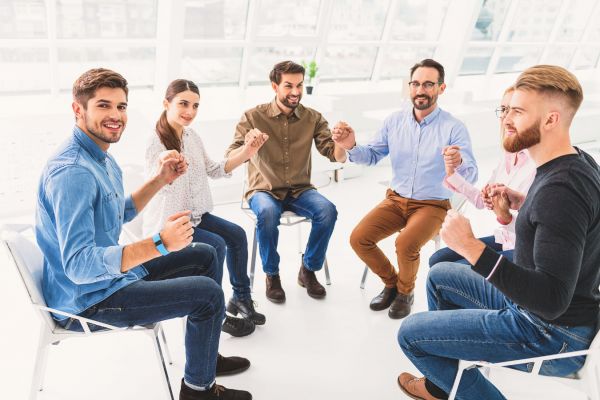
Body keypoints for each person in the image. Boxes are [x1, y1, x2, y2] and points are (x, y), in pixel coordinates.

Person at [35, 68, 252, 400]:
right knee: (208, 294)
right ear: (78, 110)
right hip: (89, 301)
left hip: (111, 278)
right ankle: (198, 391)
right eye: (103, 106)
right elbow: (79, 266)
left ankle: (204, 359)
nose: (115, 116)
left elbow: (118, 213)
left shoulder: (102, 160)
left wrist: (161, 179)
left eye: (121, 107)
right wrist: (160, 242)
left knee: (206, 253)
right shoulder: (73, 173)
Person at [397, 65, 600, 400]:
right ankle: (444, 384)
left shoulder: (559, 190)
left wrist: (472, 248)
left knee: (409, 335)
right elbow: (572, 222)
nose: (506, 120)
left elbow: (550, 301)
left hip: (550, 331)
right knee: (441, 276)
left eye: (518, 112)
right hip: (548, 314)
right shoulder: (576, 162)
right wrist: (523, 204)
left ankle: (464, 389)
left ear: (551, 120)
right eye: (506, 110)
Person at [333, 59, 477, 319]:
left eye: (428, 84)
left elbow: (472, 174)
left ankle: (405, 292)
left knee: (405, 243)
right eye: (416, 84)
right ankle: (392, 284)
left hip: (433, 204)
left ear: (441, 88)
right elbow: (373, 155)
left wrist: (459, 163)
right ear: (409, 87)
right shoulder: (394, 121)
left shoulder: (454, 127)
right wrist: (351, 145)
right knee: (359, 239)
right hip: (396, 200)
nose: (421, 90)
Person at [143, 79, 268, 336]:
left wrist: (247, 152)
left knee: (236, 235)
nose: (190, 111)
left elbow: (213, 169)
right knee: (216, 245)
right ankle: (216, 312)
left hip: (197, 216)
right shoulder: (156, 143)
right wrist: (167, 171)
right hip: (172, 224)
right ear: (167, 103)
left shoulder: (191, 136)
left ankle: (241, 298)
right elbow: (155, 187)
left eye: (195, 106)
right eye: (183, 104)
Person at [225, 60, 350, 303]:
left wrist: (343, 143)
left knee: (327, 211)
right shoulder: (252, 116)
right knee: (268, 215)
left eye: (300, 85)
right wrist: (248, 148)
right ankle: (272, 275)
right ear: (275, 86)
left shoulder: (313, 118)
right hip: (263, 189)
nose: (295, 92)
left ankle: (308, 269)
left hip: (300, 189)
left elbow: (333, 153)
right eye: (288, 86)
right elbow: (230, 157)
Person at [428, 87, 536, 266]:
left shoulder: (536, 164)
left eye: (515, 110)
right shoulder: (508, 157)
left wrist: (505, 216)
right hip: (506, 240)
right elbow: (480, 201)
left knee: (444, 270)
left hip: (525, 249)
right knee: (438, 259)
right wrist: (451, 173)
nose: (506, 117)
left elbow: (536, 230)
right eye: (503, 110)